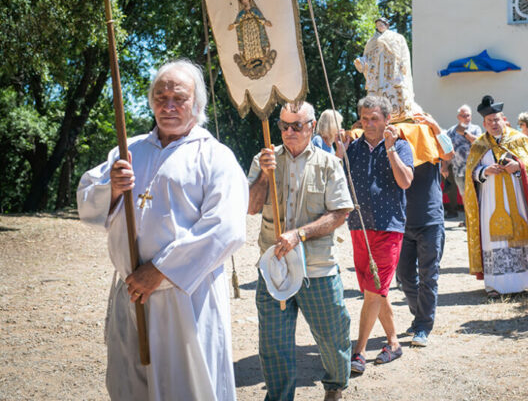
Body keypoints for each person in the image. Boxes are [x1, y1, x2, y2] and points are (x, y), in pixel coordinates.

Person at [77, 59, 247, 400]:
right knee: (131, 385)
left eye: (178, 98)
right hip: (131, 292)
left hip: (184, 298)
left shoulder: (215, 156)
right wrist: (111, 188)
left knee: (184, 388)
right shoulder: (128, 151)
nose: (168, 105)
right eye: (160, 96)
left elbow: (225, 228)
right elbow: (87, 202)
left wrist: (160, 270)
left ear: (197, 105)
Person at [247, 101, 354, 401]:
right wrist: (265, 175)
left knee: (333, 337)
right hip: (274, 267)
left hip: (317, 268)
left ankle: (334, 386)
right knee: (274, 344)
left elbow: (340, 213)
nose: (289, 131)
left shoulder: (328, 162)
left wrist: (300, 234)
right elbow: (252, 206)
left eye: (297, 125)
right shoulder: (263, 159)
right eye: (284, 126)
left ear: (311, 127)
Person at [343, 95, 414, 374]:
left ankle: (358, 352)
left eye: (374, 118)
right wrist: (339, 154)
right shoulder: (352, 148)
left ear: (387, 119)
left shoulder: (401, 146)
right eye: (364, 118)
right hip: (359, 226)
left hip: (389, 227)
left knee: (373, 291)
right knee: (375, 290)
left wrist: (390, 149)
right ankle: (394, 343)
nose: (369, 124)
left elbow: (405, 182)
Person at [464, 95, 528, 297]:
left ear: (503, 119)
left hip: (518, 200)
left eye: (497, 120)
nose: (494, 124)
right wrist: (484, 172)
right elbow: (470, 174)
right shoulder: (479, 145)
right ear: (484, 124)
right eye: (489, 121)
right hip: (490, 201)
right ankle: (496, 285)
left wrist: (518, 166)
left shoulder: (519, 140)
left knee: (524, 234)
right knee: (493, 240)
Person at [396, 112, 454, 347]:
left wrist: (435, 125)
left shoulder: (431, 142)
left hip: (430, 220)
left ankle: (422, 326)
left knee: (429, 276)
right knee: (405, 276)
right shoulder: (396, 146)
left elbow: (449, 153)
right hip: (401, 222)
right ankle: (419, 314)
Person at [354, 18, 421, 121]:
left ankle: (398, 116)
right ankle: (376, 117)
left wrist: (402, 65)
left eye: (381, 24)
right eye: (377, 25)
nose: (379, 26)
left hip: (391, 72)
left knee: (394, 92)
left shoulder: (396, 38)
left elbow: (403, 54)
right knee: (377, 95)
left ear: (386, 25)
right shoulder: (372, 41)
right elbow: (368, 56)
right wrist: (361, 61)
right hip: (377, 74)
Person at [228, 0, 276, 78]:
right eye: (242, 0)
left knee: (256, 44)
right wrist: (233, 25)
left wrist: (265, 22)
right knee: (248, 45)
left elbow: (260, 18)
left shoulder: (254, 10)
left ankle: (260, 58)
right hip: (246, 31)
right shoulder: (241, 13)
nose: (244, 1)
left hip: (255, 29)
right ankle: (251, 61)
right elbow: (238, 22)